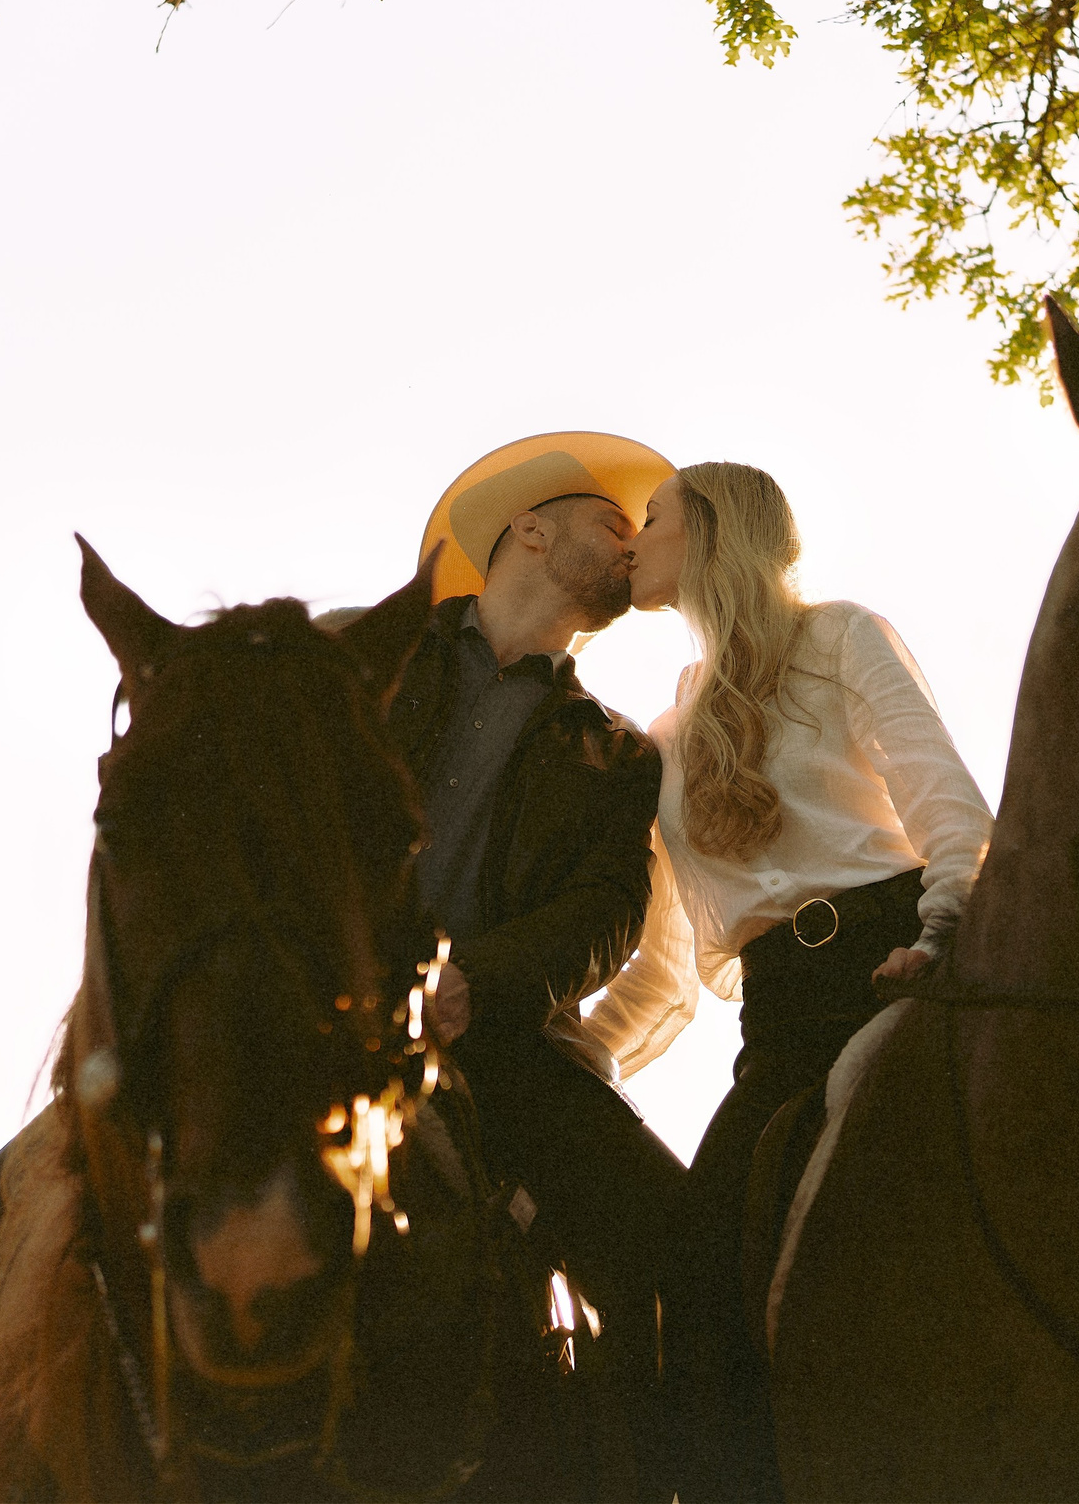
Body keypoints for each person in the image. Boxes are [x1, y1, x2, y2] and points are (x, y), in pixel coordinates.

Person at [585, 460, 994, 1502]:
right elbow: (666, 966)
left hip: (893, 963)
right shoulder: (666, 739)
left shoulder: (840, 637)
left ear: (714, 532)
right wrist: (581, 1049)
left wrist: (940, 934)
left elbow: (944, 802)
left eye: (653, 517)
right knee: (694, 1274)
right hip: (776, 1021)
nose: (633, 540)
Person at [382, 431, 689, 1500]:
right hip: (305, 1016)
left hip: (500, 1047)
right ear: (528, 530)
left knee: (685, 1246)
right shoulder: (360, 658)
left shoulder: (620, 752)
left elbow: (609, 920)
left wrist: (480, 981)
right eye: (613, 523)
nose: (633, 544)